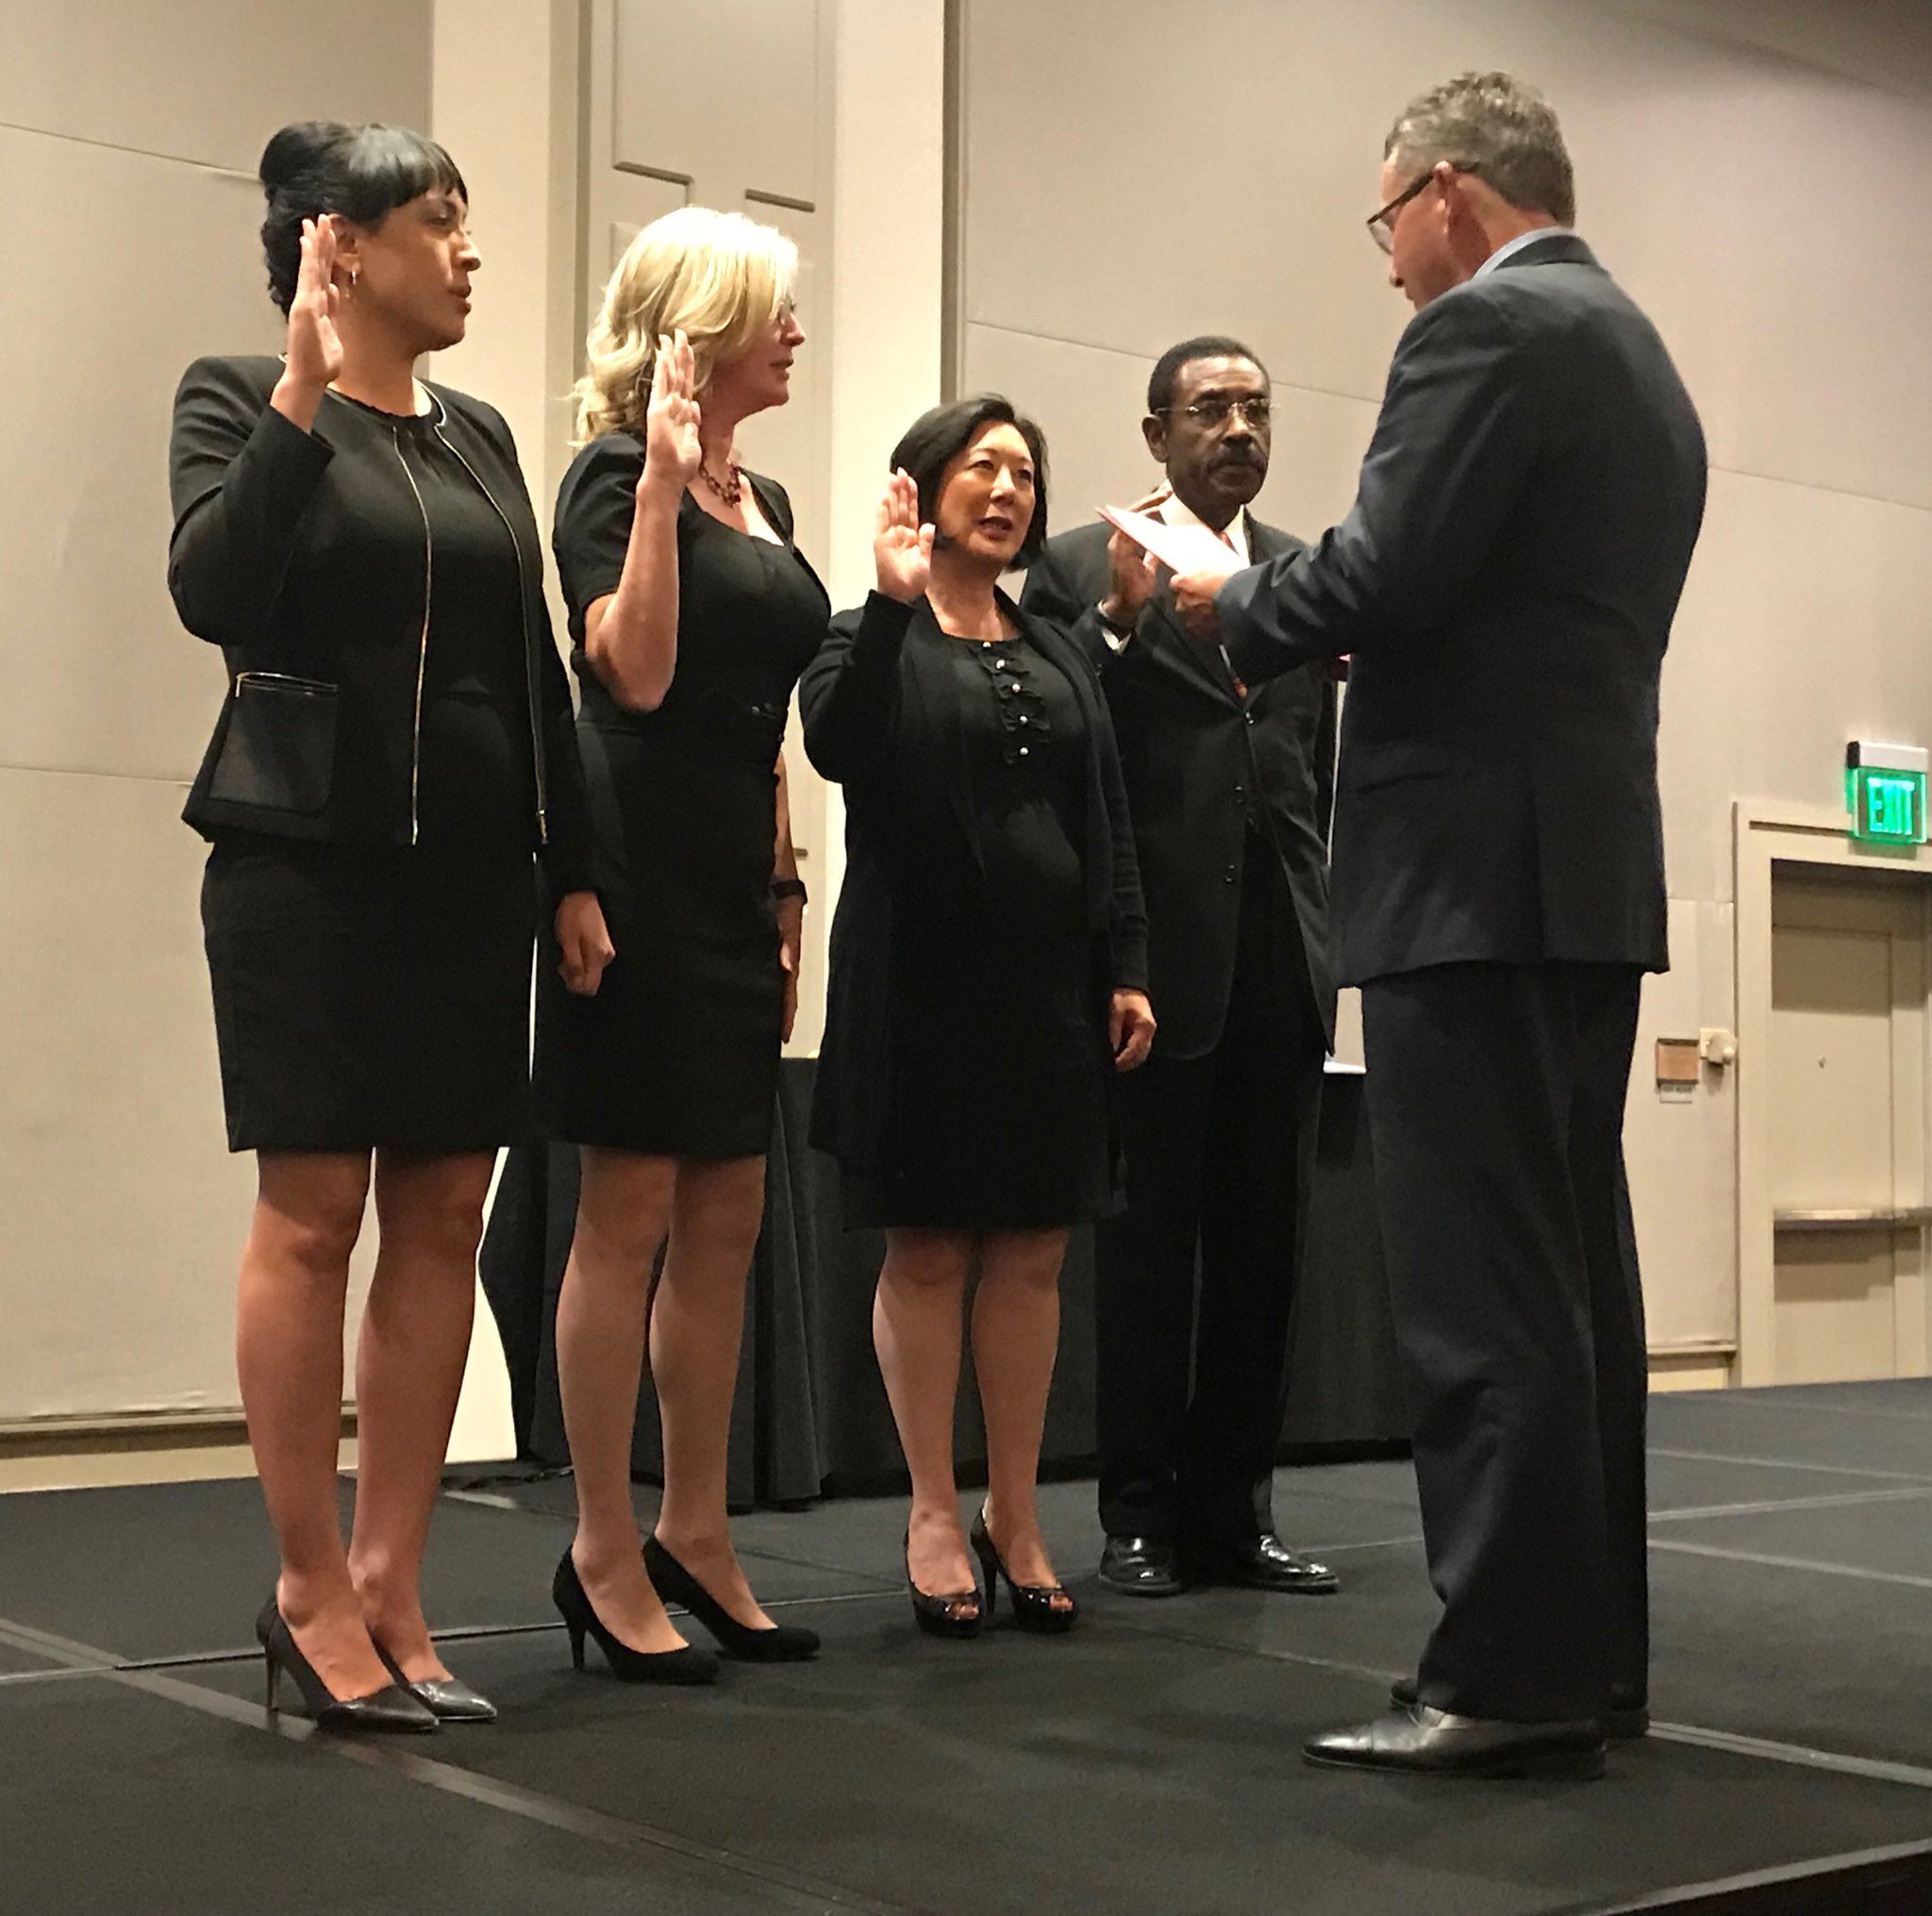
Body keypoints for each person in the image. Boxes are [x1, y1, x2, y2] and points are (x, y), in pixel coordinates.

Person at [1172, 72, 1707, 1777]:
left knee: (1479, 1300)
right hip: (1580, 873)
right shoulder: (1641, 357)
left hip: (1463, 878)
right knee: (1572, 1292)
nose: (1389, 261)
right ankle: (1588, 1656)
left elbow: (1385, 578)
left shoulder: (1482, 336)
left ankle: (1501, 1673)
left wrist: (1219, 599)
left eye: (1386, 221)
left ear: (1449, 197)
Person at [169, 121, 611, 1733]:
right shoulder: (237, 397)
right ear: (340, 248)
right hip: (308, 877)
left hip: (471, 884)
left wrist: (573, 867)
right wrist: (298, 396)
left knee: (441, 1219)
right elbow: (217, 589)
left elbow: (541, 671)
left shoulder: (485, 434)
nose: (471, 253)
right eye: (440, 223)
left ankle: (392, 1579)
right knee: (312, 1215)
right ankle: (303, 1585)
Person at [801, 398, 1156, 1638]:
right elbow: (840, 747)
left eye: (1024, 472)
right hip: (918, 988)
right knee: (931, 1250)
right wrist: (895, 606)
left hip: (1047, 993)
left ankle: (1017, 1508)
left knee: (1033, 1251)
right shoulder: (862, 633)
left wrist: (1128, 961)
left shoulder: (1057, 647)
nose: (1007, 489)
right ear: (922, 490)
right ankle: (934, 1512)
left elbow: (1106, 815)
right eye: (981, 467)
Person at [541, 208, 824, 1681]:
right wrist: (656, 492)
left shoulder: (767, 492)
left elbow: (766, 722)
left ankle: (696, 1529)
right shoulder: (606, 476)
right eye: (773, 310)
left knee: (728, 1214)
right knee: (629, 1208)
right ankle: (600, 1540)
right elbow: (633, 675)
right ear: (698, 326)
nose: (795, 331)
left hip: (729, 889)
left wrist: (786, 895)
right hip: (633, 876)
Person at [1022, 336, 1339, 1601]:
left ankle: (1238, 1515)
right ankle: (1139, 1514)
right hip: (1161, 963)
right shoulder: (1082, 567)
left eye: (1256, 408)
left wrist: (1326, 918)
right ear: (1156, 434)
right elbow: (1056, 742)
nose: (1237, 430)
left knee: (1267, 1254)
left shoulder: (1308, 580)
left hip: (1283, 953)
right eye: (1209, 410)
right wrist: (1115, 624)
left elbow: (1319, 767)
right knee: (1150, 1254)